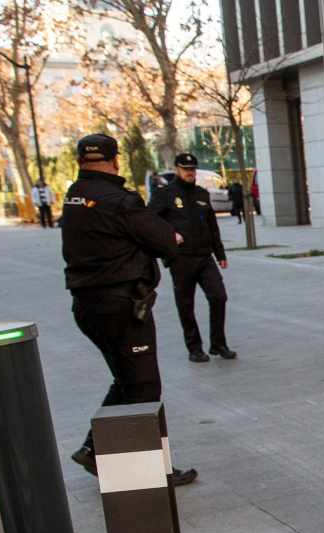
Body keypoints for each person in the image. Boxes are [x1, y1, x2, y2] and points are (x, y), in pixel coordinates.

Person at [61, 133, 197, 485]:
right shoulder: (119, 200)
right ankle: (146, 473)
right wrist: (172, 239)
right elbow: (165, 239)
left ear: (80, 160)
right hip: (121, 305)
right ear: (115, 160)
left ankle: (93, 450)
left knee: (126, 379)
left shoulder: (75, 195)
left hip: (88, 305)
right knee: (144, 386)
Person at [150, 153, 236, 362]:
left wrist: (220, 253)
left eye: (192, 169)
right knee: (186, 305)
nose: (190, 172)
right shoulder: (165, 194)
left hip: (205, 256)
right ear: (177, 170)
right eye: (185, 169)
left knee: (219, 296)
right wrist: (169, 235)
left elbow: (212, 226)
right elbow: (149, 220)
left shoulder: (201, 194)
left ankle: (218, 344)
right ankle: (194, 348)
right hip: (181, 258)